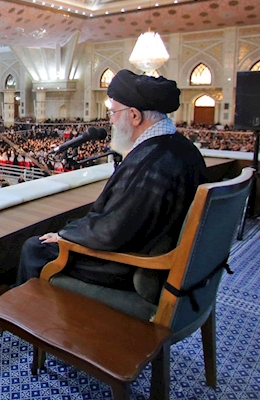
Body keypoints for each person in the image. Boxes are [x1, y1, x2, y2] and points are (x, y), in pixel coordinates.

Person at [17, 70, 207, 300]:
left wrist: (65, 235)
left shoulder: (152, 163)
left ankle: (31, 315)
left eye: (114, 112)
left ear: (135, 116)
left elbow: (112, 232)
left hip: (132, 264)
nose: (110, 120)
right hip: (159, 253)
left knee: (35, 248)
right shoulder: (183, 149)